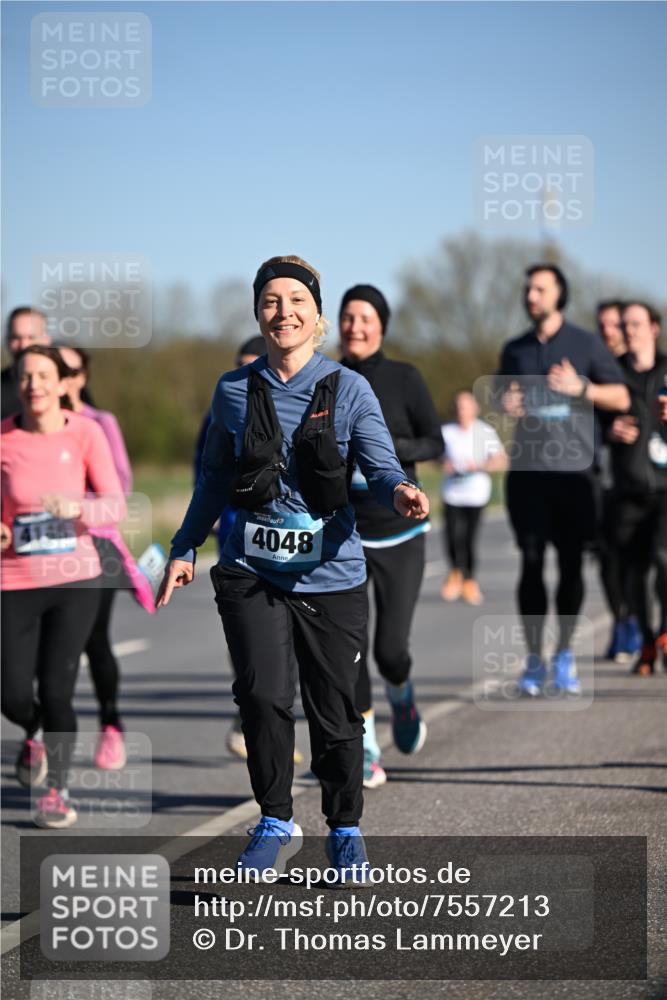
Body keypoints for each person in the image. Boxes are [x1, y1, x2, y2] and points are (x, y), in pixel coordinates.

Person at [157, 255, 429, 880]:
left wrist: (400, 492)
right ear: (259, 314)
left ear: (318, 318)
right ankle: (276, 821)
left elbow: (383, 466)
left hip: (330, 575)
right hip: (251, 570)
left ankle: (345, 828)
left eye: (296, 301)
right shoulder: (233, 390)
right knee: (261, 696)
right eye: (271, 301)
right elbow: (216, 478)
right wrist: (183, 546)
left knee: (334, 709)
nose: (284, 312)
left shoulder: (350, 389)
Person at [1, 346, 125, 828]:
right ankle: (30, 727)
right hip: (13, 579)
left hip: (76, 579)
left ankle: (58, 791)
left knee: (57, 688)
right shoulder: (5, 438)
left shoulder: (86, 433)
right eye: (25, 376)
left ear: (61, 383)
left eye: (43, 376)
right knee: (11, 691)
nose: (34, 384)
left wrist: (79, 508)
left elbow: (114, 505)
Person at [497, 264, 629, 696]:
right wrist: (507, 401)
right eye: (527, 288)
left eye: (539, 288)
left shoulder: (586, 343)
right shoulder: (514, 349)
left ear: (559, 294)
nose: (530, 295)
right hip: (528, 475)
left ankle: (566, 653)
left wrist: (581, 388)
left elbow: (622, 395)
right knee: (531, 563)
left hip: (575, 476)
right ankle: (535, 659)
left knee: (571, 566)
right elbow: (502, 396)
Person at [338, 284, 442, 790]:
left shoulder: (404, 377)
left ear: (381, 325)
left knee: (390, 650)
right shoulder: (325, 378)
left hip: (401, 532)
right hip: (343, 534)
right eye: (347, 317)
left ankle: (401, 694)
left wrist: (385, 445)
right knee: (350, 649)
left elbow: (435, 441)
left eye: (364, 318)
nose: (355, 326)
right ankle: (366, 748)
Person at [193, 335, 304, 762]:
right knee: (249, 631)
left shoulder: (294, 404)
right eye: (239, 364)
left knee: (290, 636)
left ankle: (276, 715)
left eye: (252, 363)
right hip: (237, 538)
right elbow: (205, 467)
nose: (245, 372)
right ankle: (251, 715)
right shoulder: (225, 402)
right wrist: (205, 520)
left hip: (291, 541)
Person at [58, 345, 155, 770]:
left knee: (93, 638)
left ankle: (110, 723)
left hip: (96, 544)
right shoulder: (23, 428)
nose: (61, 378)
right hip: (40, 549)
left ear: (82, 377)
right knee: (46, 644)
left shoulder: (100, 423)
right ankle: (41, 732)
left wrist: (74, 502)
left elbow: (122, 482)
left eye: (69, 370)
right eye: (53, 369)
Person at [607, 302, 667, 676]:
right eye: (623, 324)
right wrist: (607, 430)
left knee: (664, 557)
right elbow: (586, 424)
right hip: (626, 489)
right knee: (633, 574)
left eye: (635, 323)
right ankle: (646, 639)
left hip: (666, 488)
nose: (628, 330)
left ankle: (666, 632)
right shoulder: (610, 375)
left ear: (654, 328)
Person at [595, 300, 642, 661]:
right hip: (601, 480)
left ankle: (641, 622)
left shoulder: (644, 369)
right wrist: (606, 430)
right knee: (608, 557)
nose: (610, 332)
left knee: (642, 558)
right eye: (604, 326)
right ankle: (622, 620)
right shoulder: (594, 371)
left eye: (616, 325)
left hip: (644, 482)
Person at [440, 391, 507, 605]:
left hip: (476, 494)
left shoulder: (485, 432)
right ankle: (455, 573)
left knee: (469, 539)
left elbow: (501, 460)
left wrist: (480, 466)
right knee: (451, 537)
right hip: (452, 493)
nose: (462, 410)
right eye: (459, 406)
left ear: (475, 408)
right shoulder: (446, 431)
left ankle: (469, 580)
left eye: (466, 406)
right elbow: (434, 456)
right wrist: (444, 464)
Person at [2, 308, 51, 419]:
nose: (24, 345)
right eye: (16, 338)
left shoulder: (68, 384)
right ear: (7, 341)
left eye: (31, 337)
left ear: (47, 340)